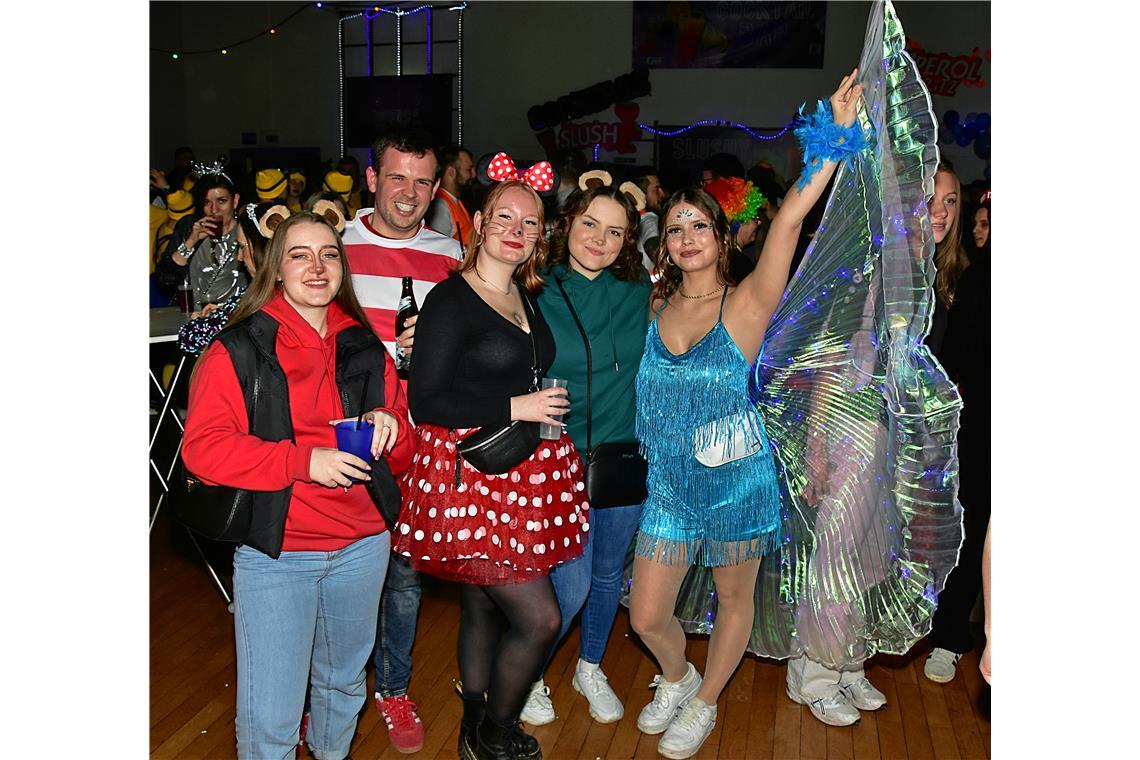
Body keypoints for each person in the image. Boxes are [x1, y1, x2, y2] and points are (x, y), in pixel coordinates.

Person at [627, 70, 863, 758]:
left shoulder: (751, 301)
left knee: (735, 603)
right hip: (669, 482)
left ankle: (703, 705)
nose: (687, 235)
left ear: (722, 234)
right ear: (663, 242)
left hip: (737, 479)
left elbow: (790, 215)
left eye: (700, 224)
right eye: (675, 227)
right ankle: (678, 674)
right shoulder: (652, 307)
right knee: (647, 615)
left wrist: (833, 132)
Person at [182, 210, 415, 759]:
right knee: (271, 715)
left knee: (342, 685)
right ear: (275, 270)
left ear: (343, 268)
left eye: (329, 254)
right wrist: (302, 462)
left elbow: (402, 455)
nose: (317, 266)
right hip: (279, 551)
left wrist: (392, 426)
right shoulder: (238, 349)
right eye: (300, 254)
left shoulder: (364, 346)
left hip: (363, 546)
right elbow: (202, 450)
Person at [394, 174, 590, 760]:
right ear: (478, 224)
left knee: (482, 601)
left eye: (529, 223)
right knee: (539, 618)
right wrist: (518, 405)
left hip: (521, 473)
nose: (516, 231)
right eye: (504, 218)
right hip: (473, 479)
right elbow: (426, 401)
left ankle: (474, 723)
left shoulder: (525, 296)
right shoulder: (450, 298)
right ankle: (499, 728)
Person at [341, 126, 463, 754]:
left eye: (422, 181)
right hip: (350, 439)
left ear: (437, 187)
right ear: (372, 179)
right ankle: (334, 692)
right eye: (396, 177)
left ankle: (392, 687)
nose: (409, 193)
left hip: (419, 443)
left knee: (405, 578)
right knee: (342, 576)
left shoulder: (449, 256)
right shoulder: (335, 248)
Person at [520, 185, 651, 727]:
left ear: (627, 242)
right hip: (557, 461)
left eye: (615, 231)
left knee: (605, 576)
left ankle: (590, 665)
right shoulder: (535, 288)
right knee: (565, 582)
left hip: (620, 458)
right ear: (567, 223)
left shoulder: (639, 291)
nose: (600, 239)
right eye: (590, 224)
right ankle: (529, 672)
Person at [925, 189, 990, 685]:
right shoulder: (974, 278)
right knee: (972, 531)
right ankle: (948, 636)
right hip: (977, 429)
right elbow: (955, 361)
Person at [155, 162, 251, 312]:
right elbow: (165, 280)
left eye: (222, 201)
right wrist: (191, 242)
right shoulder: (189, 227)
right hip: (192, 318)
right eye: (207, 202)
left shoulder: (247, 232)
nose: (214, 210)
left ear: (235, 201)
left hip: (235, 320)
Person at [924, 162, 968, 354]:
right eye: (930, 199)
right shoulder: (884, 271)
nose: (941, 212)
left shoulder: (959, 274)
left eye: (950, 201)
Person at [426, 143, 477, 252]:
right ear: (451, 172)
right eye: (468, 170)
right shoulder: (440, 205)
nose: (473, 175)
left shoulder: (456, 202)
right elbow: (437, 249)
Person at [630, 168, 668, 269]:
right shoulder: (648, 219)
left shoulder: (629, 220)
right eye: (656, 189)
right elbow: (652, 247)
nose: (662, 194)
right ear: (640, 193)